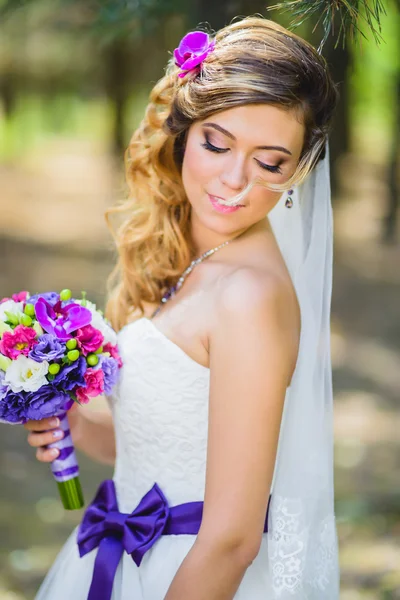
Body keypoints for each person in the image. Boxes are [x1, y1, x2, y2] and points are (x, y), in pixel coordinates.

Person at [24, 15, 340, 600]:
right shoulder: (197, 257)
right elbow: (154, 444)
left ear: (297, 171)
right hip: (119, 555)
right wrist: (64, 411)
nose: (235, 180)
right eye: (217, 143)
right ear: (184, 131)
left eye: (270, 162)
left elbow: (232, 540)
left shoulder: (250, 295)